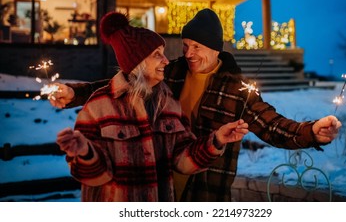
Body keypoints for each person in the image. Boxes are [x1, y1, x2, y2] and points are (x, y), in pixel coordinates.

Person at [50, 8, 342, 202]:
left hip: (203, 190)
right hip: (156, 185)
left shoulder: (236, 89)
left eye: (197, 47)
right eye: (186, 45)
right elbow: (123, 83)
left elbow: (272, 125)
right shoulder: (170, 71)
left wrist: (311, 131)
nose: (188, 53)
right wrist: (75, 94)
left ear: (215, 49)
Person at [55, 11, 249, 202]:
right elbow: (95, 177)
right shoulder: (98, 107)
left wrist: (216, 141)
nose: (166, 61)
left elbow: (182, 160)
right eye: (157, 55)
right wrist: (84, 152)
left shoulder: (169, 104)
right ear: (137, 63)